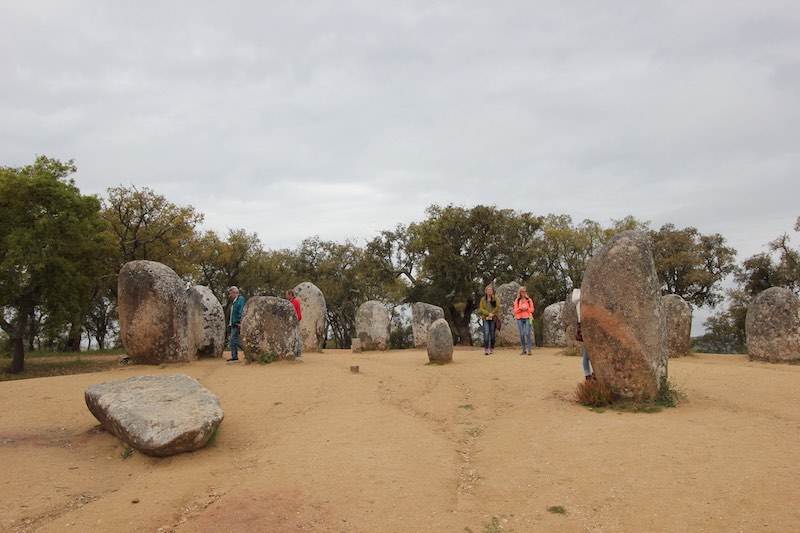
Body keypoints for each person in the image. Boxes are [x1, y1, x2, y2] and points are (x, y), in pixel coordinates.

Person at [572, 288, 595, 380]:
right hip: (584, 324)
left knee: (590, 352)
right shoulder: (579, 295)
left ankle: (591, 374)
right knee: (587, 353)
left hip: (590, 324)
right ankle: (588, 375)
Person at [479, 285, 501, 355]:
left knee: (492, 334)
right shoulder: (483, 299)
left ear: (492, 291)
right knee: (486, 333)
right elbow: (481, 308)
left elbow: (497, 307)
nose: (489, 291)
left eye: (490, 290)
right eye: (488, 290)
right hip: (485, 318)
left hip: (493, 318)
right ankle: (486, 349)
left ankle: (492, 348)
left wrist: (492, 314)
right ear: (486, 291)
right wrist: (488, 314)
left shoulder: (495, 298)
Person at [513, 286, 534, 355]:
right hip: (520, 318)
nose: (524, 293)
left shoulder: (529, 300)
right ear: (520, 292)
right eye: (523, 291)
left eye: (525, 291)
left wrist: (526, 309)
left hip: (528, 317)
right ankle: (524, 349)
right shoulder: (517, 300)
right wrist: (520, 309)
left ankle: (529, 349)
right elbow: (515, 310)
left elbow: (532, 309)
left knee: (528, 333)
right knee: (522, 334)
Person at [227, 286, 246, 363]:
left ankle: (245, 349)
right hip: (233, 323)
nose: (230, 295)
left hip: (237, 323)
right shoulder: (235, 301)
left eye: (230, 293)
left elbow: (241, 310)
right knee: (232, 340)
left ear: (234, 292)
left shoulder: (240, 299)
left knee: (233, 339)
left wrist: (239, 321)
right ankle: (234, 356)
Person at [285, 289, 302, 358]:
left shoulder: (294, 301)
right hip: (295, 320)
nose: (286, 296)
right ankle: (297, 351)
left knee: (296, 336)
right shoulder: (293, 301)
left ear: (290, 295)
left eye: (287, 295)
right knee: (295, 336)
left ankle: (298, 351)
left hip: (296, 320)